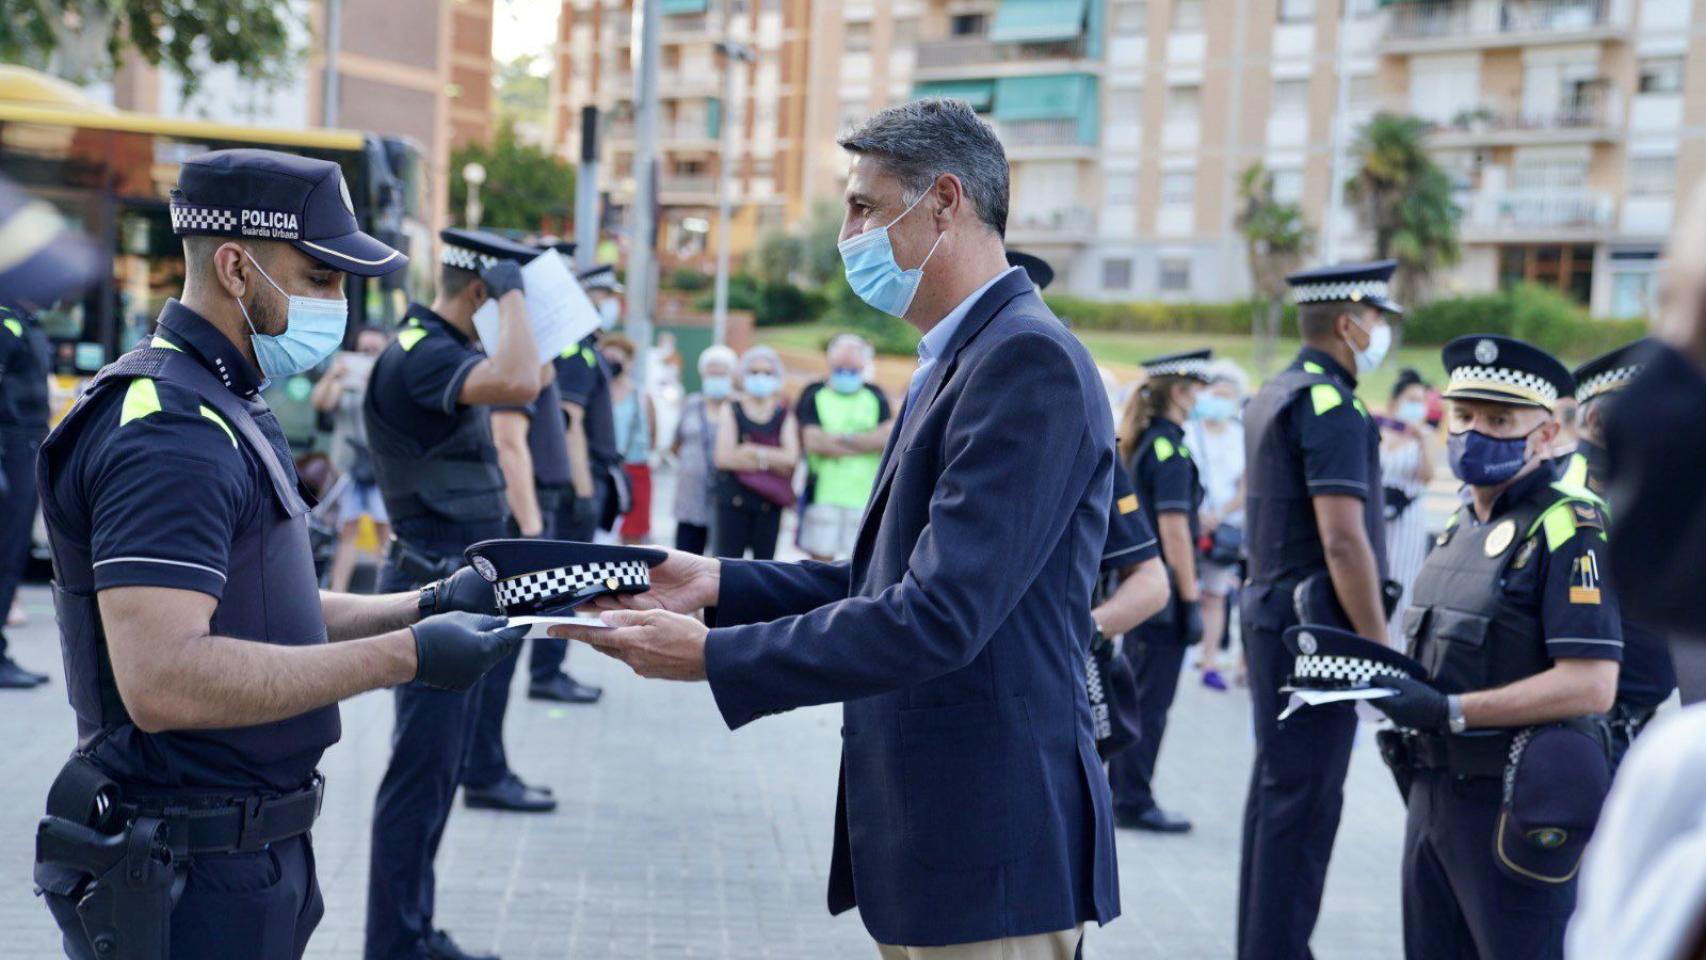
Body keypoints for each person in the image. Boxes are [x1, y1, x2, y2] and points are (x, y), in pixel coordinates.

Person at [555, 98, 1120, 958]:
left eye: (863, 207)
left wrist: (714, 656)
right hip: (937, 841)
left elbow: (938, 616)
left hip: (989, 849)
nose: (848, 235)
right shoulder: (960, 356)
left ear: (944, 201)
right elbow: (888, 582)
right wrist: (717, 582)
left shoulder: (1025, 361)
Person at [31, 149, 519, 960]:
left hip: (239, 855)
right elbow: (164, 677)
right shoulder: (170, 432)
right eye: (319, 279)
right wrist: (408, 657)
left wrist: (426, 604)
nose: (338, 305)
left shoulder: (221, 400)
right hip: (190, 869)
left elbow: (263, 608)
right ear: (235, 268)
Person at [1366, 334, 1622, 960]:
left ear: (1546, 434)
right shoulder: (1460, 524)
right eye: (1465, 415)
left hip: (1515, 808)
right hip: (1431, 795)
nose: (1476, 432)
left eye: (1500, 421)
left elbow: (1591, 684)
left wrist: (1453, 711)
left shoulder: (1569, 526)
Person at [362, 227, 550, 960]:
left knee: (437, 772)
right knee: (420, 775)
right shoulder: (423, 352)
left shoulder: (441, 346)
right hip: (430, 583)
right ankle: (395, 944)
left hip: (454, 581)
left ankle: (412, 932)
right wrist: (512, 294)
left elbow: (529, 373)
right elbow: (521, 381)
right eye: (507, 301)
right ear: (481, 293)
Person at [1238, 260, 1396, 960]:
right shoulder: (1332, 405)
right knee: (1303, 804)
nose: (1382, 334)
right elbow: (1342, 540)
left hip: (1274, 614)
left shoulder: (1278, 389)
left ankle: (1263, 946)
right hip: (1314, 631)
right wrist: (1380, 650)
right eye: (1378, 320)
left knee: (1280, 796)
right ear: (1348, 324)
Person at [461, 367, 575, 814]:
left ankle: (487, 769)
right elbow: (508, 442)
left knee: (502, 661)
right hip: (519, 525)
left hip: (527, 517)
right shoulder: (516, 365)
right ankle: (484, 773)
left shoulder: (531, 363)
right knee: (498, 659)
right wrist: (532, 532)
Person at [1107, 350, 1210, 834]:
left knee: (1140, 697)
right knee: (1151, 704)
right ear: (1180, 392)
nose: (1201, 399)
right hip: (1161, 595)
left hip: (1142, 589)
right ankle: (1132, 798)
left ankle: (1124, 792)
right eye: (1197, 390)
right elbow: (1174, 532)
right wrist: (1190, 600)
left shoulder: (1150, 442)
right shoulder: (1169, 450)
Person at [1565, 341, 1677, 760]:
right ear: (1597, 420)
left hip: (1630, 720)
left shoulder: (1639, 484)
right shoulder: (1576, 498)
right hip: (1594, 728)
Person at [526, 264, 622, 704]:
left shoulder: (582, 349)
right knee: (565, 586)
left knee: (567, 586)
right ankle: (546, 673)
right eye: (602, 295)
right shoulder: (574, 352)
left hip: (582, 479)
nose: (609, 304)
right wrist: (583, 491)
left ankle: (550, 669)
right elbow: (569, 423)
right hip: (576, 485)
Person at [797, 333, 894, 561]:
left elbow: (886, 438)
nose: (847, 373)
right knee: (820, 565)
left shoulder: (875, 395)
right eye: (841, 367)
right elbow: (813, 441)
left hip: (865, 496)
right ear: (830, 362)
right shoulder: (813, 393)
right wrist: (863, 442)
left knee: (860, 564)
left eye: (853, 368)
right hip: (823, 494)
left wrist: (838, 440)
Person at [309, 326, 391, 593]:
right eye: (362, 350)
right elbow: (321, 403)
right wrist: (334, 375)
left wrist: (375, 383)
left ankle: (387, 596)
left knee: (385, 534)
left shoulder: (389, 377)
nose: (367, 355)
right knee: (346, 532)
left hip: (380, 466)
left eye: (374, 351)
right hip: (347, 467)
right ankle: (337, 596)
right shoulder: (343, 377)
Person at [0, 301, 55, 688]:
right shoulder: (6, 322)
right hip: (10, 448)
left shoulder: (24, 322)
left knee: (12, 555)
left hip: (25, 446)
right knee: (5, 554)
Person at [1184, 359, 1248, 691]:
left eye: (1227, 396)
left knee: (1215, 593)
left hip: (1222, 529)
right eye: (1215, 394)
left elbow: (1245, 487)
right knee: (1183, 587)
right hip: (1188, 523)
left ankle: (1209, 660)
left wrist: (1219, 515)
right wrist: (1196, 513)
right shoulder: (1188, 432)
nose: (1220, 401)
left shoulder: (1240, 436)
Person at [712, 345, 799, 561]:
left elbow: (791, 459)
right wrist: (772, 459)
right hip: (733, 501)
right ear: (743, 375)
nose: (760, 377)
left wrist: (751, 451)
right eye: (754, 372)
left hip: (769, 503)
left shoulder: (783, 413)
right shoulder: (731, 409)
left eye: (767, 373)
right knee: (727, 565)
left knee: (764, 566)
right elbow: (723, 458)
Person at [1380, 368, 1436, 633]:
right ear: (1395, 402)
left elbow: (1427, 476)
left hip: (1407, 520)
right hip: (1378, 516)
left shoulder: (1425, 437)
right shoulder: (1379, 431)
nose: (1417, 406)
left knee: (1402, 580)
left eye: (1421, 401)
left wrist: (1421, 438)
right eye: (1411, 400)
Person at [671, 345, 737, 555]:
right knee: (685, 555)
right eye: (711, 374)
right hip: (690, 497)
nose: (716, 379)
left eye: (721, 374)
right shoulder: (691, 404)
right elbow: (676, 443)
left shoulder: (737, 407)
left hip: (725, 497)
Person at [602, 333, 656, 545]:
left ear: (629, 362)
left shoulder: (641, 396)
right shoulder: (596, 393)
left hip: (635, 471)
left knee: (634, 534)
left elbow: (652, 435)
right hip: (604, 471)